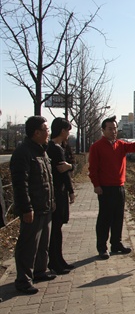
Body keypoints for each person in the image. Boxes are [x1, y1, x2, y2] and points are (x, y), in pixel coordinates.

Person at [88, 116, 135, 259]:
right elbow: (93, 169)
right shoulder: (96, 147)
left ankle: (116, 244)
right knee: (105, 218)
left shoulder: (121, 145)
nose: (113, 131)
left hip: (119, 187)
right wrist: (96, 185)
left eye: (115, 128)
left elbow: (134, 147)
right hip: (105, 188)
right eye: (110, 129)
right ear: (103, 130)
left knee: (118, 217)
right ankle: (102, 247)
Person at [10, 116, 56, 294]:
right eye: (46, 130)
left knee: (42, 243)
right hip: (33, 208)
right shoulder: (23, 153)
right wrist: (26, 208)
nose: (48, 133)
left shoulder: (41, 151)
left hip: (45, 206)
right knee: (28, 245)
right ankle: (23, 280)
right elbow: (21, 184)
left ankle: (39, 271)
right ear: (36, 132)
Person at [46, 117, 75, 274]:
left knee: (56, 229)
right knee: (56, 229)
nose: (68, 134)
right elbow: (64, 173)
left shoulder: (51, 147)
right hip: (58, 192)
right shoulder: (56, 149)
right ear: (63, 131)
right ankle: (56, 262)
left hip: (55, 192)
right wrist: (71, 191)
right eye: (68, 131)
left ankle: (59, 260)